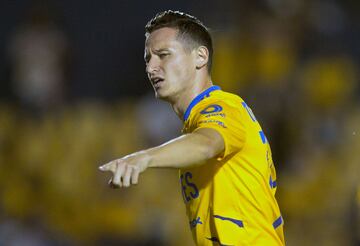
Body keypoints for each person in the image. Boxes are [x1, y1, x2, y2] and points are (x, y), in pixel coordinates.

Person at [99, 10, 285, 245]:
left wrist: (144, 157)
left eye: (163, 55)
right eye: (148, 59)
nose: (151, 68)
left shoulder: (224, 106)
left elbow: (207, 145)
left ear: (200, 57)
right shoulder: (194, 124)